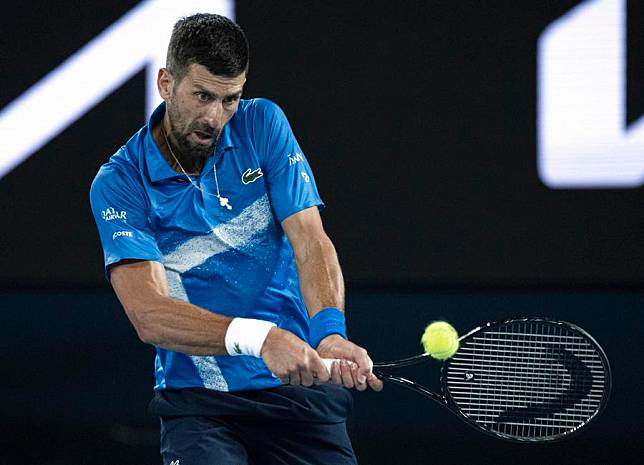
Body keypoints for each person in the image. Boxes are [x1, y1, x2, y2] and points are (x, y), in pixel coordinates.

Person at [89, 13, 382, 465]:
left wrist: (329, 333)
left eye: (230, 99)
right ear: (166, 83)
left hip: (298, 390)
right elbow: (148, 314)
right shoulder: (120, 182)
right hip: (201, 405)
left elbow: (311, 241)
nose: (215, 117)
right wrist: (260, 338)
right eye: (202, 95)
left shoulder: (262, 124)